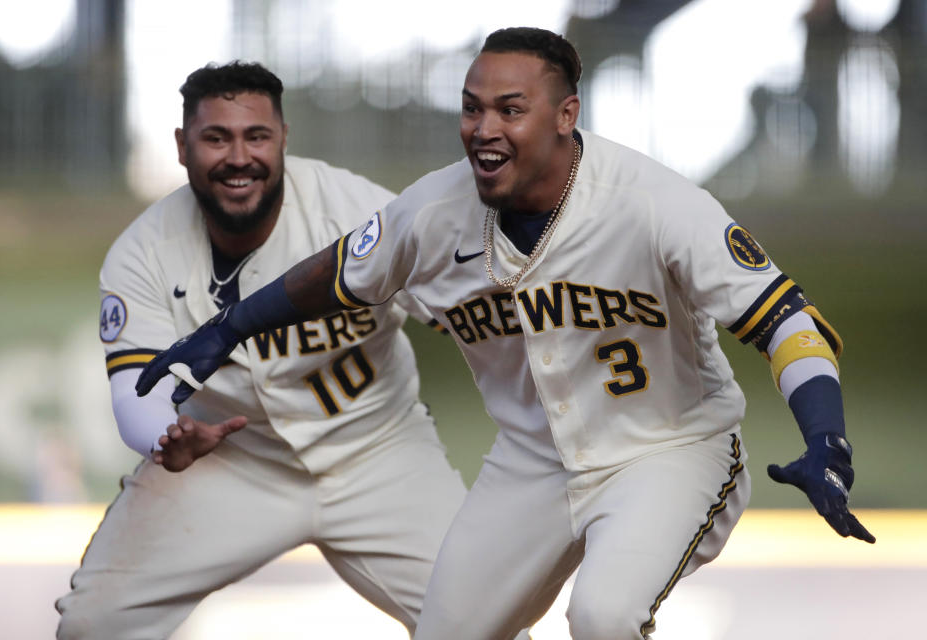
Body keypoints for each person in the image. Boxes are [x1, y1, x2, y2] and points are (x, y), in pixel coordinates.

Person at [136, 29, 875, 640]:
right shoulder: (435, 211)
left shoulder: (655, 203)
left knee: (605, 617)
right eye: (471, 108)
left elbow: (783, 318)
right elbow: (337, 273)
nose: (483, 129)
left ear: (565, 114)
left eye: (510, 109)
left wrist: (825, 436)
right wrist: (229, 327)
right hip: (532, 463)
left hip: (670, 449)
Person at [55, 61, 469, 639]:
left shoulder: (352, 209)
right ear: (181, 146)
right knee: (92, 625)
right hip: (229, 462)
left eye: (256, 136)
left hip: (380, 452)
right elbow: (135, 395)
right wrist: (164, 437)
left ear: (283, 139)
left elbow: (458, 306)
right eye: (215, 137)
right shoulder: (143, 253)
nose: (238, 156)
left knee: (484, 623)